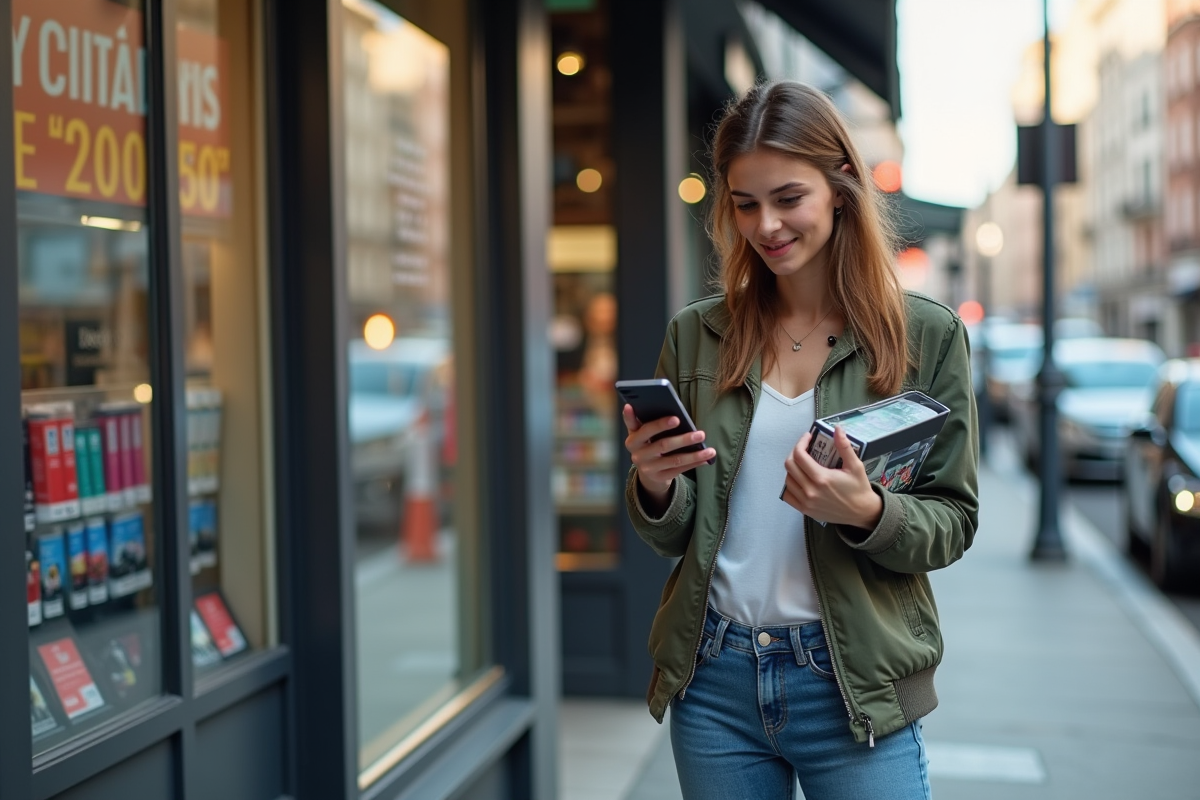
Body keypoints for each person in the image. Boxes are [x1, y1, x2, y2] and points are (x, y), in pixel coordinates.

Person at [621, 81, 979, 800]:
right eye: (745, 203)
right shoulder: (695, 335)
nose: (766, 225)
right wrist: (655, 486)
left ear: (840, 188)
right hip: (715, 680)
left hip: (853, 688)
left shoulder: (925, 336)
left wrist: (868, 513)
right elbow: (675, 536)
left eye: (788, 198)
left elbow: (954, 521)